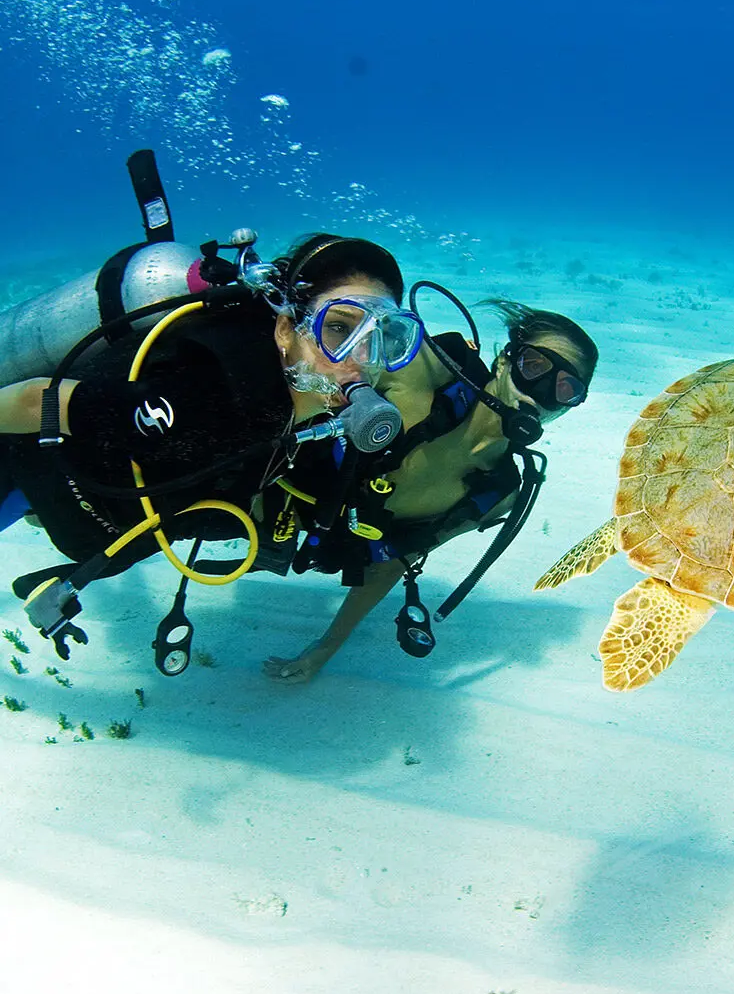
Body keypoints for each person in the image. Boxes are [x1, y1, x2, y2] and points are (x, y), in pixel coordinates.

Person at [0, 232, 420, 656]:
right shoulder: (208, 390)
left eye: (384, 336)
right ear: (284, 330)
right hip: (25, 472)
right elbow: (36, 401)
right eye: (338, 328)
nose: (362, 358)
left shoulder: (314, 412)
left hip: (95, 518)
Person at [262, 298, 599, 683]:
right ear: (505, 360)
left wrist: (325, 648)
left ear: (571, 405)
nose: (540, 392)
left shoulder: (496, 494)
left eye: (564, 388)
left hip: (312, 530)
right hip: (268, 480)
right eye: (534, 366)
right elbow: (316, 342)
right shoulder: (423, 369)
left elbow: (392, 562)